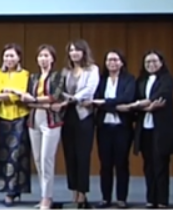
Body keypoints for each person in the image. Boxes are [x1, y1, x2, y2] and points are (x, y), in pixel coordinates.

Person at [17, 45, 66, 210]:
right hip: (34, 120)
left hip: (51, 122)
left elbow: (55, 97)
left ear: (52, 59)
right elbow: (26, 100)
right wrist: (41, 103)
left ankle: (47, 197)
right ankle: (43, 194)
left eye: (46, 56)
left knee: (47, 159)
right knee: (37, 159)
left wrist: (36, 101)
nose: (43, 59)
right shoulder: (33, 77)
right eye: (40, 56)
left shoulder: (58, 76)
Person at [131, 50, 173, 209]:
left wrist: (143, 104)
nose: (151, 65)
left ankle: (162, 200)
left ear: (161, 63)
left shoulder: (167, 79)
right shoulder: (141, 80)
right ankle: (151, 199)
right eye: (148, 62)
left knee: (161, 165)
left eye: (154, 61)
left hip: (161, 129)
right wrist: (145, 106)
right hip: (145, 129)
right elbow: (136, 100)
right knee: (148, 165)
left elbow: (160, 97)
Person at [90, 50, 136, 209]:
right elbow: (95, 100)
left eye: (115, 60)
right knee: (105, 164)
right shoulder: (101, 80)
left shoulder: (129, 80)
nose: (112, 63)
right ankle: (105, 198)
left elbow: (127, 98)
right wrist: (115, 106)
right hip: (104, 128)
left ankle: (121, 199)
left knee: (121, 163)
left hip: (122, 128)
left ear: (122, 63)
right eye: (109, 60)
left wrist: (105, 103)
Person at [0, 43, 32, 206]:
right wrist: (10, 92)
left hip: (20, 118)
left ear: (19, 57)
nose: (9, 59)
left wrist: (8, 93)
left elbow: (21, 94)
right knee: (3, 155)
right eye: (6, 56)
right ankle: (6, 189)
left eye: (12, 56)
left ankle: (14, 190)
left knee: (17, 156)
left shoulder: (25, 74)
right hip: (3, 118)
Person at [61, 39, 100, 208]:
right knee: (70, 155)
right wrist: (66, 98)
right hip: (67, 115)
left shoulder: (92, 69)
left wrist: (73, 98)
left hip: (84, 115)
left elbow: (90, 89)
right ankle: (74, 191)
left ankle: (83, 193)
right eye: (71, 50)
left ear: (84, 52)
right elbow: (60, 90)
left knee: (83, 155)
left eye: (77, 50)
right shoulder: (65, 71)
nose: (74, 53)